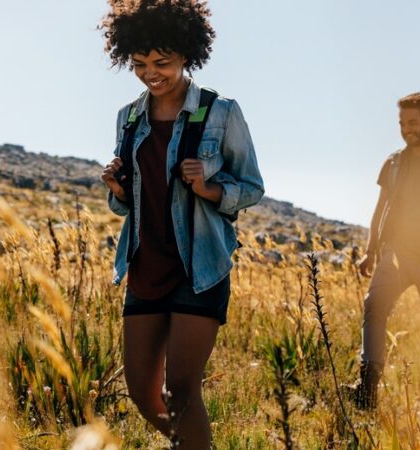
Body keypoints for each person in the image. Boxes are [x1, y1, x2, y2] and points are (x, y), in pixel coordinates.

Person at [99, 1, 264, 447]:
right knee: (139, 391)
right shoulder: (128, 117)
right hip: (144, 264)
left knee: (181, 391)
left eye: (162, 63)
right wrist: (116, 189)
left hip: (200, 266)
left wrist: (211, 189)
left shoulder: (220, 111)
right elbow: (130, 202)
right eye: (139, 64)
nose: (151, 73)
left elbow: (251, 186)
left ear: (186, 55)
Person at [350, 93, 420, 414]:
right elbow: (380, 210)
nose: (406, 129)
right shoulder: (394, 162)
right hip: (397, 255)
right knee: (374, 307)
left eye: (412, 123)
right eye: (401, 124)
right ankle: (368, 389)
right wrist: (370, 253)